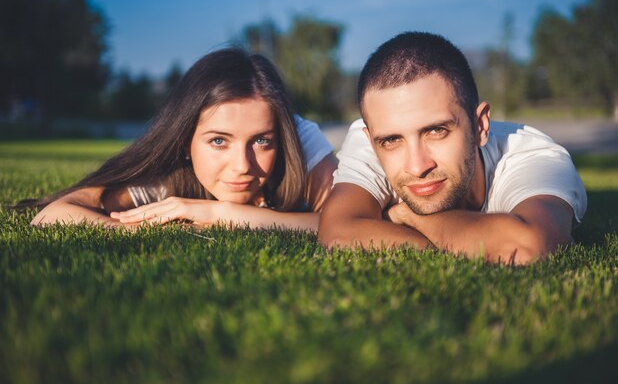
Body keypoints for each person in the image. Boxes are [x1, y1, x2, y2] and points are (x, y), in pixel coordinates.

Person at [318, 32, 587, 265]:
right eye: (391, 141)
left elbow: (531, 248)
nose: (417, 166)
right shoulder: (375, 132)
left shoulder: (533, 155)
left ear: (480, 126)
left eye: (436, 131)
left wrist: (409, 217)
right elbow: (338, 232)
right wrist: (471, 242)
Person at [29, 48, 337, 231]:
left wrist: (220, 213)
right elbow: (52, 214)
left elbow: (339, 224)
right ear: (185, 141)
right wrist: (123, 233)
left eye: (261, 141)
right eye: (219, 141)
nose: (243, 165)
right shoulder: (167, 181)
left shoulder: (301, 139)